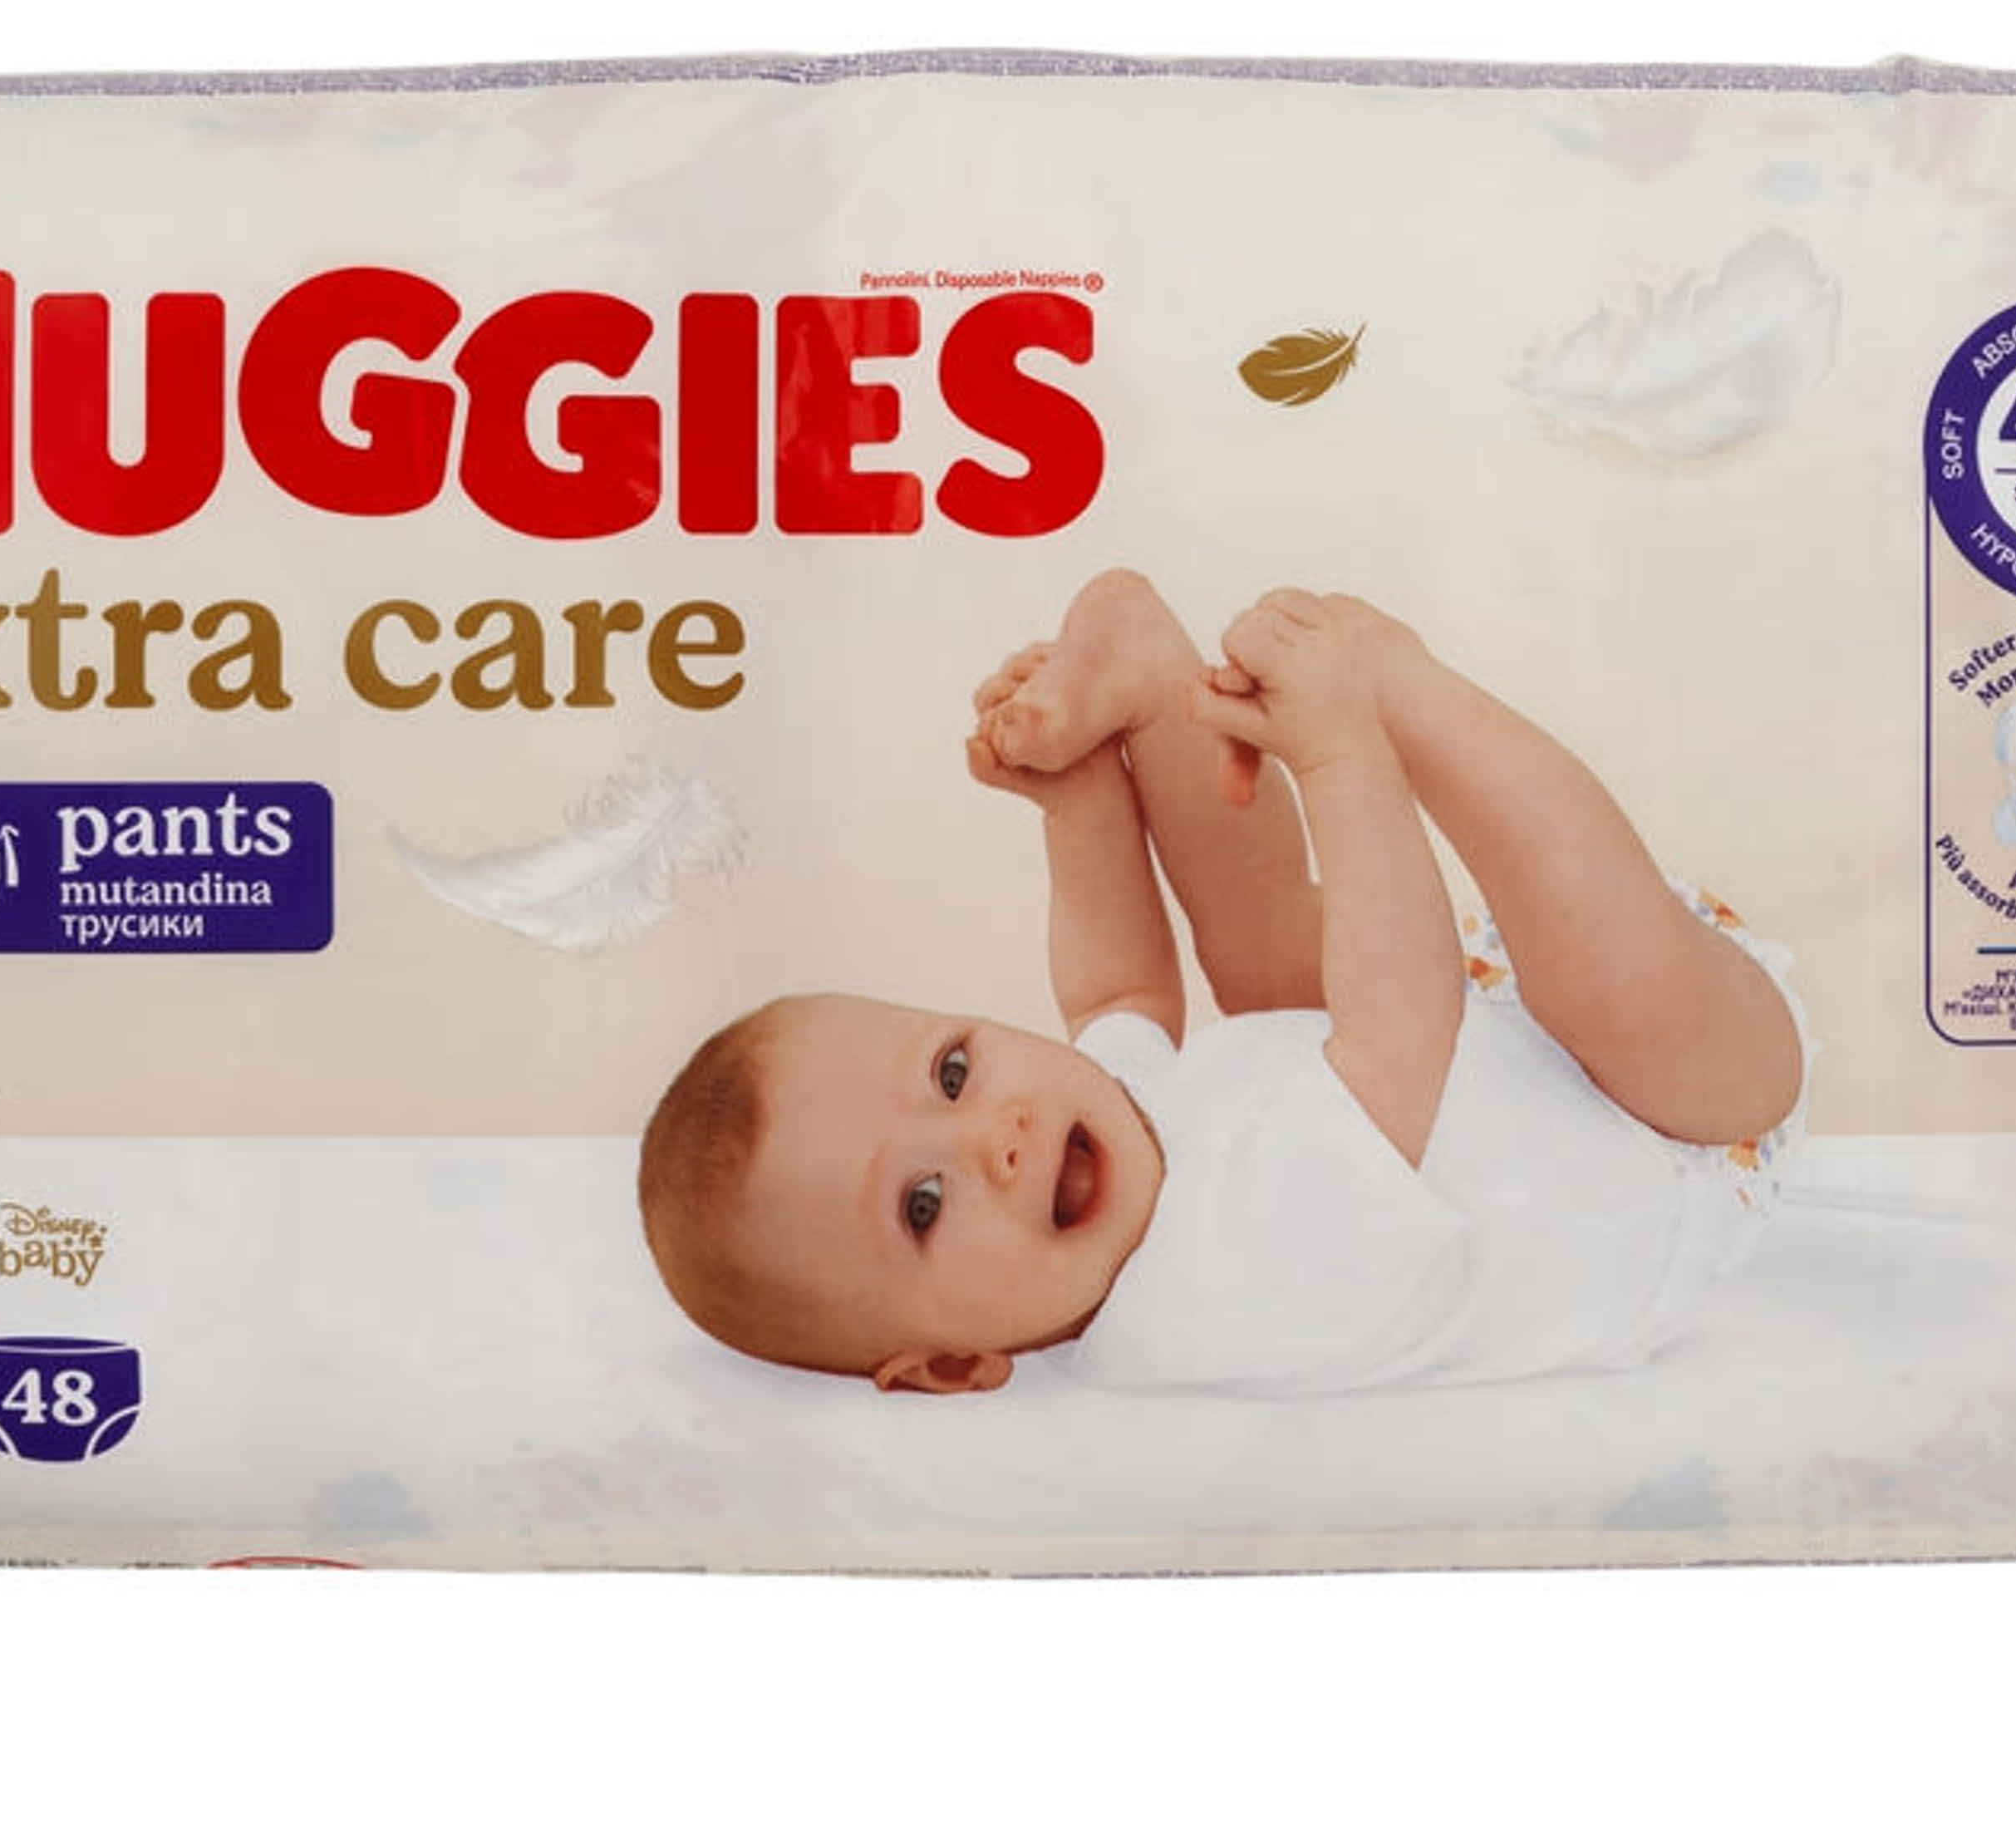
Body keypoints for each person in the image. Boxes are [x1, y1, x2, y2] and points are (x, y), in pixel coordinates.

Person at [638, 568, 1807, 1396]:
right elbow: (1406, 1026)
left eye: (951, 1072)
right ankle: (1405, 688)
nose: (995, 1135)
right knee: (1608, 996)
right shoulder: (1210, 1300)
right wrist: (1345, 753)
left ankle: (1154, 691)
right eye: (924, 1206)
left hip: (1491, 1027)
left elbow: (1117, 994)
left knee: (1262, 967)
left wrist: (1078, 796)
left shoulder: (1104, 1166)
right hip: (1678, 1140)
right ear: (951, 1364)